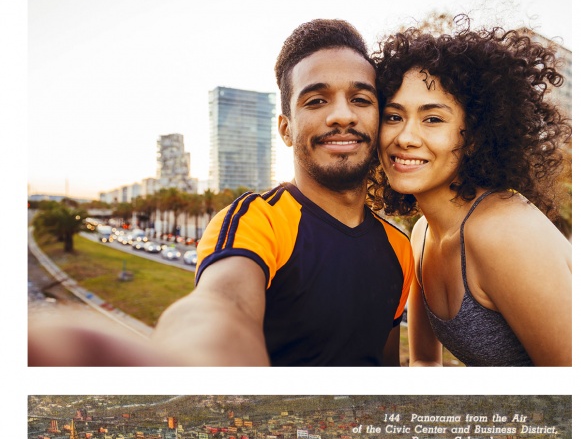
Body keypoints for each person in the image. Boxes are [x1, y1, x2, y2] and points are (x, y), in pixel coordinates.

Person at [28, 19, 414, 367]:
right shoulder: (254, 221)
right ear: (285, 129)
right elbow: (221, 305)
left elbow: (382, 363)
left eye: (361, 99)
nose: (342, 115)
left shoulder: (400, 247)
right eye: (316, 100)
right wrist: (191, 364)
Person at [367, 21, 572, 367]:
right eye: (393, 116)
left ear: (474, 136)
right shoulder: (422, 235)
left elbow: (577, 390)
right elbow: (425, 365)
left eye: (432, 119)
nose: (405, 138)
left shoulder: (505, 230)